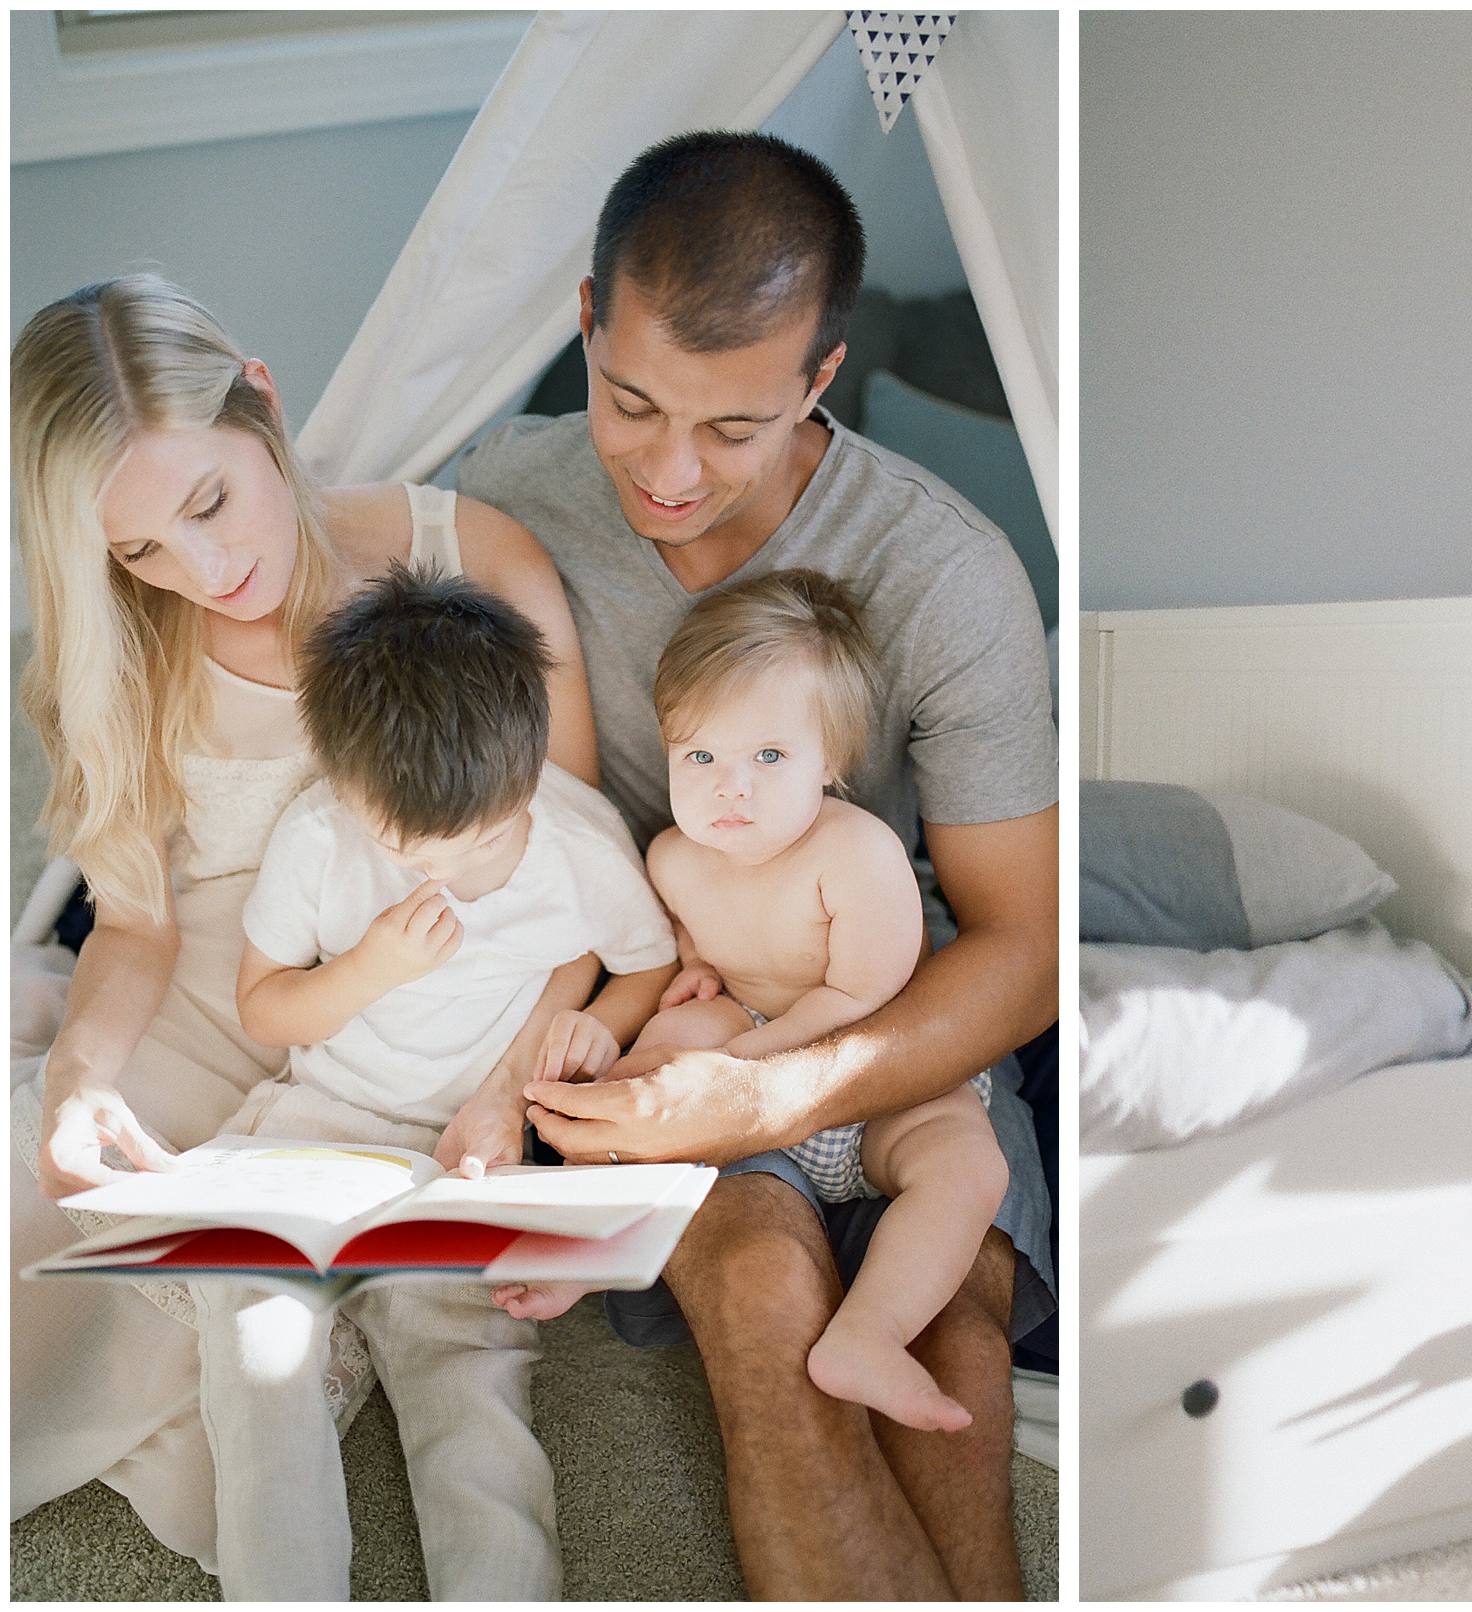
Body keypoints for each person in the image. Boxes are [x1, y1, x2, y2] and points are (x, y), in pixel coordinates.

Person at [454, 130, 1055, 1598]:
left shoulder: (947, 575)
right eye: (631, 401)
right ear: (587, 321)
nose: (669, 469)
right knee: (760, 1287)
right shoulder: (497, 504)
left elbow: (1023, 946)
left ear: (819, 379)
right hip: (672, 1006)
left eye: (731, 428)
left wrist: (784, 1088)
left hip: (885, 1012)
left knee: (948, 1327)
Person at [10, 275, 593, 1568]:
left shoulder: (471, 561)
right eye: (142, 550)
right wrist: (79, 1085)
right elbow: (138, 928)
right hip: (199, 1018)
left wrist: (505, 1096)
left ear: (263, 405)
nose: (204, 571)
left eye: (209, 502)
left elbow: (571, 883)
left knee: (318, 1363)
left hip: (404, 1052)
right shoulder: (129, 643)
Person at [208, 567, 673, 1600]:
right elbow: (263, 1009)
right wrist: (371, 966)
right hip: (318, 1116)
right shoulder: (320, 839)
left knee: (469, 1373)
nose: (438, 878)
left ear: (525, 778)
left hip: (464, 1146)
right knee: (253, 1329)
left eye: (479, 847)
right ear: (340, 784)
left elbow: (640, 962)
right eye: (401, 847)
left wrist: (584, 1031)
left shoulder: (578, 842)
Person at [503, 570, 1008, 1443]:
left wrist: (741, 1075)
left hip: (869, 1068)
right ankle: (587, 1245)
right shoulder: (673, 857)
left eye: (768, 757)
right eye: (700, 757)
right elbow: (683, 938)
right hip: (749, 1029)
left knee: (966, 1165)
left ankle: (868, 1335)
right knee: (651, 1060)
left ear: (832, 764)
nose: (729, 788)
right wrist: (693, 978)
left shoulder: (857, 854)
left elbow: (863, 997)